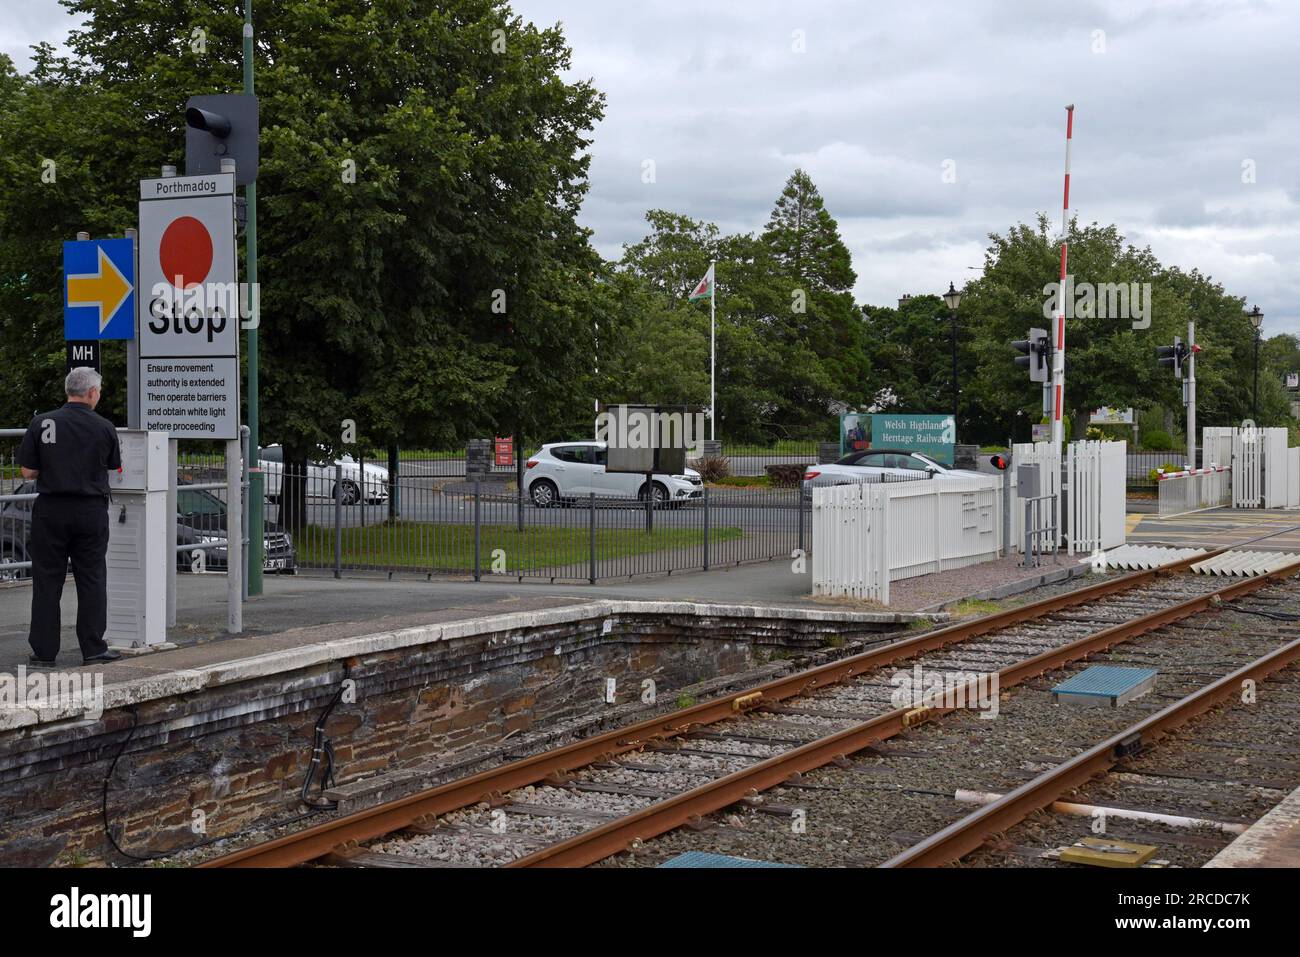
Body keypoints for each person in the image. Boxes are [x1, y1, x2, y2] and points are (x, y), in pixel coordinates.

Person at [16, 367, 123, 666]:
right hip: (90, 511)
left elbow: (28, 472)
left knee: (47, 581)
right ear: (91, 393)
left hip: (51, 510)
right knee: (91, 579)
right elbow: (114, 466)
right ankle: (93, 649)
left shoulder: (42, 423)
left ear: (68, 390)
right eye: (98, 392)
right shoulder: (104, 426)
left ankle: (44, 652)